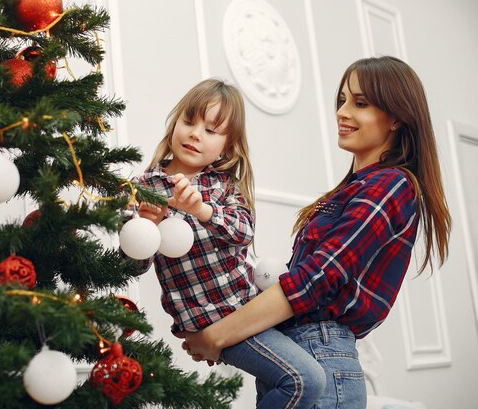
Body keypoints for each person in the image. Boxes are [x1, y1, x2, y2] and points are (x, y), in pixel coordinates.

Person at [182, 57, 452, 409]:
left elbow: (317, 279)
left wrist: (217, 336)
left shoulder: (392, 185)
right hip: (299, 357)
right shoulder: (354, 189)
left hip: (322, 361)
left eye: (360, 103)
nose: (342, 112)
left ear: (396, 117)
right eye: (341, 100)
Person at [133, 78, 326, 408]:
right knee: (304, 381)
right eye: (189, 122)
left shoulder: (224, 186)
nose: (195, 134)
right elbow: (132, 264)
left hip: (250, 307)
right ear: (175, 124)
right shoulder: (143, 187)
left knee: (286, 377)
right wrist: (147, 226)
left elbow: (242, 232)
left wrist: (201, 209)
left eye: (211, 130)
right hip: (213, 321)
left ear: (227, 147)